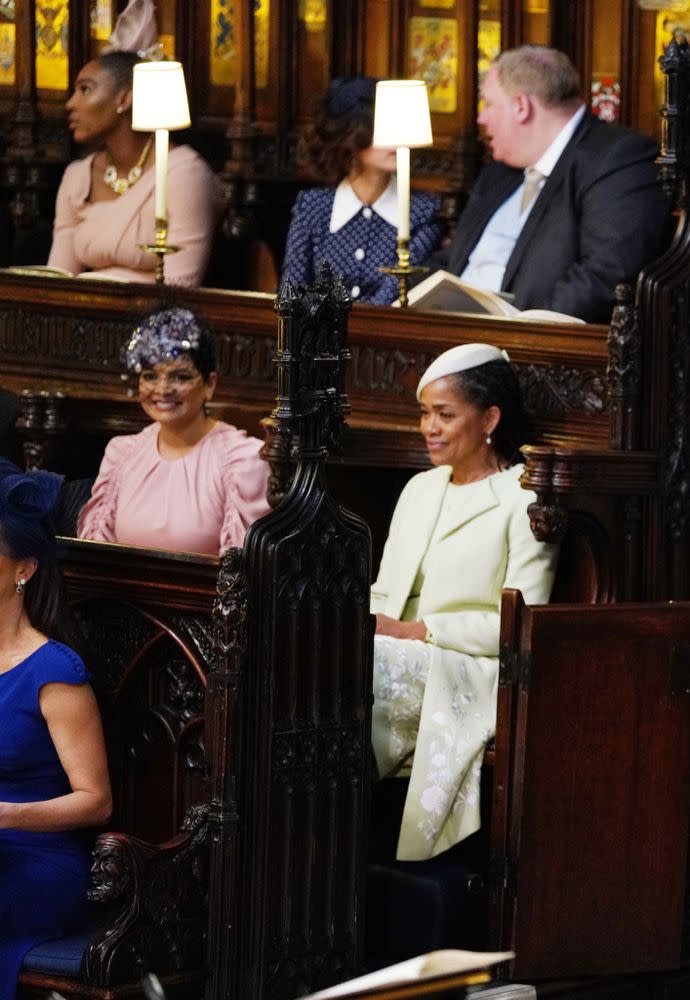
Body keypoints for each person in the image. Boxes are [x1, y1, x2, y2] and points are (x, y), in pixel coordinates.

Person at [371, 343, 558, 861]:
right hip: (393, 652)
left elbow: (523, 622)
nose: (428, 427)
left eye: (444, 415)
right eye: (425, 414)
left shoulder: (524, 500)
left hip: (468, 667)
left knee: (354, 670)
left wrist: (420, 631)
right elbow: (385, 593)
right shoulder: (418, 489)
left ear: (490, 418)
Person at [433, 46, 670, 323]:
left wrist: (517, 336)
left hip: (533, 348)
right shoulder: (499, 172)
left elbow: (605, 276)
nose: (481, 118)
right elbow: (454, 260)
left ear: (521, 106)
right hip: (448, 335)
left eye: (488, 104)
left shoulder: (619, 158)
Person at [0, 459, 112, 998]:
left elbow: (95, 801)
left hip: (36, 859)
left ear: (24, 568)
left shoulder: (54, 671)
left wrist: (6, 815)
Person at [78, 307, 270, 555]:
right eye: (150, 376)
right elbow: (95, 560)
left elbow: (242, 576)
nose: (163, 389)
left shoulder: (243, 461)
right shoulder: (121, 453)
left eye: (179, 377)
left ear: (210, 384)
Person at [47, 49, 222, 285]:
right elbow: (58, 280)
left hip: (155, 317)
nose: (70, 104)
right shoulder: (77, 176)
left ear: (124, 99)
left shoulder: (185, 174)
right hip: (85, 315)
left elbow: (180, 289)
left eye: (85, 89)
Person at [282, 76, 442, 304]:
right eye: (379, 128)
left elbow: (389, 301)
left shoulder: (423, 212)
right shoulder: (313, 207)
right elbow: (291, 296)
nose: (393, 137)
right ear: (349, 136)